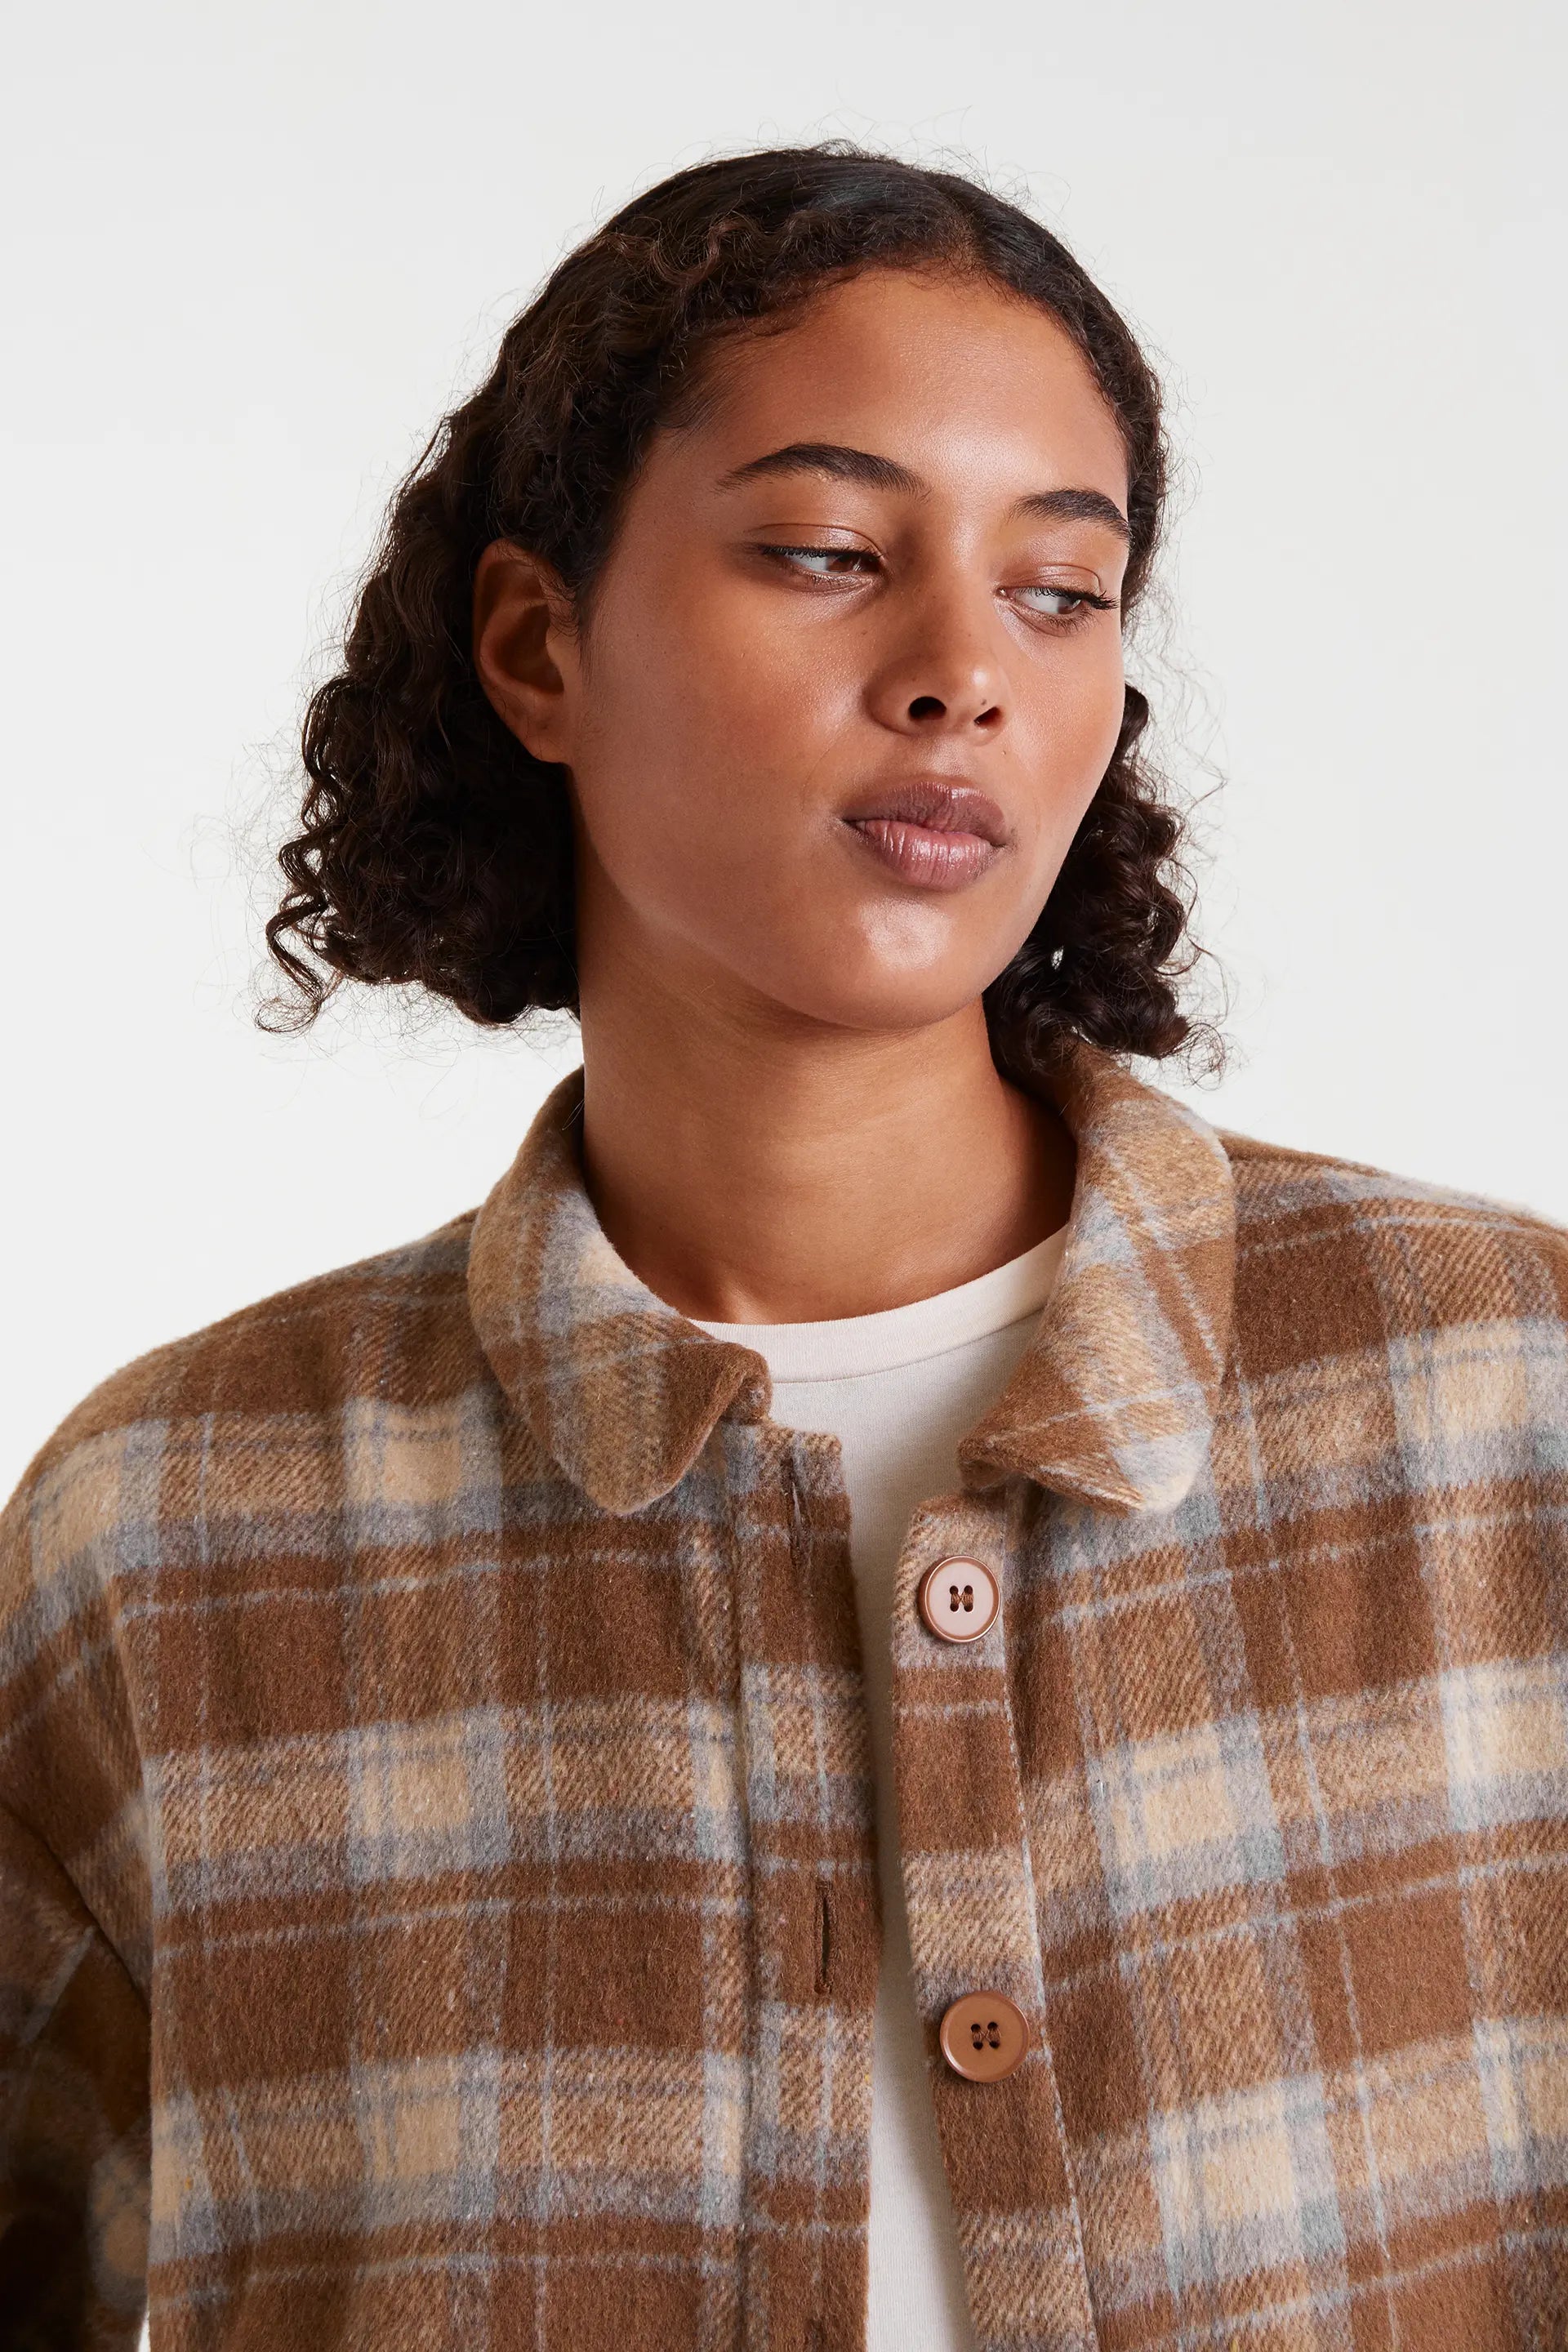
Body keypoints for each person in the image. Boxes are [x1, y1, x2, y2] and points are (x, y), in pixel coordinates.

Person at [2, 145, 1564, 2352]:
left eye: (1061, 589)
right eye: (830, 554)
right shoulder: (168, 1540)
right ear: (539, 646)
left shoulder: (1502, 1396)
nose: (962, 673)